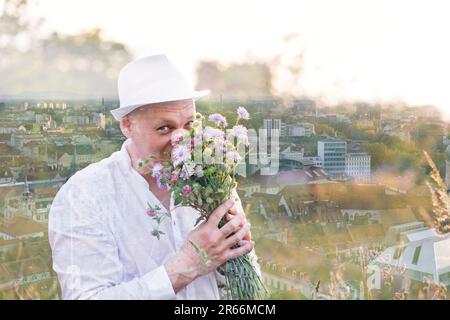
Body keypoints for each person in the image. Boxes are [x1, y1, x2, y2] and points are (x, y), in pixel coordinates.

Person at [48, 54, 260, 300]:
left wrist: (236, 260)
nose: (181, 139)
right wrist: (186, 266)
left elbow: (245, 282)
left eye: (189, 124)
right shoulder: (85, 196)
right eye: (164, 128)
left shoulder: (214, 183)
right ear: (127, 125)